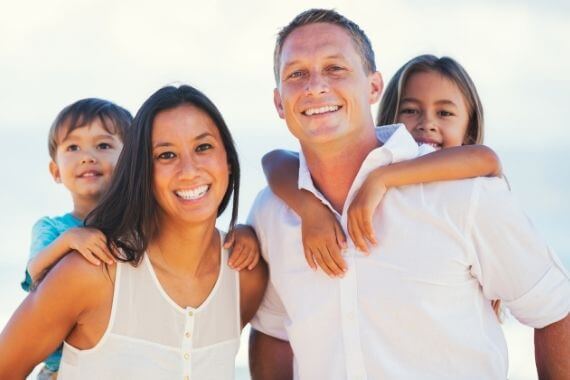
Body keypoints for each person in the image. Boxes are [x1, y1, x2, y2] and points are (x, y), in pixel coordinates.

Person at [247, 8, 570, 380]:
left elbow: (553, 309)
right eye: (296, 73)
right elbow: (272, 331)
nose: (315, 85)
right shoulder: (272, 212)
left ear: (373, 87)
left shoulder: (465, 196)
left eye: (335, 68)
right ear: (278, 102)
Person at [0, 85, 267, 379]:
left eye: (203, 147)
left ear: (228, 160)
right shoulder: (90, 273)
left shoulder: (246, 276)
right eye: (166, 155)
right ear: (140, 171)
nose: (189, 169)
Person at [261, 54, 501, 277]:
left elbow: (488, 159)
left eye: (445, 113)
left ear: (469, 131)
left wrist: (381, 179)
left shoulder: (470, 190)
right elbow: (274, 160)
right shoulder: (378, 163)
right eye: (410, 110)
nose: (427, 123)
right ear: (390, 120)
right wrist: (310, 208)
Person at [20, 98, 132, 379]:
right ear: (56, 171)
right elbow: (34, 273)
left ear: (131, 162)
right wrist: (69, 241)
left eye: (103, 145)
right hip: (62, 371)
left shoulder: (138, 229)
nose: (87, 156)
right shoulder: (53, 229)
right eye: (73, 147)